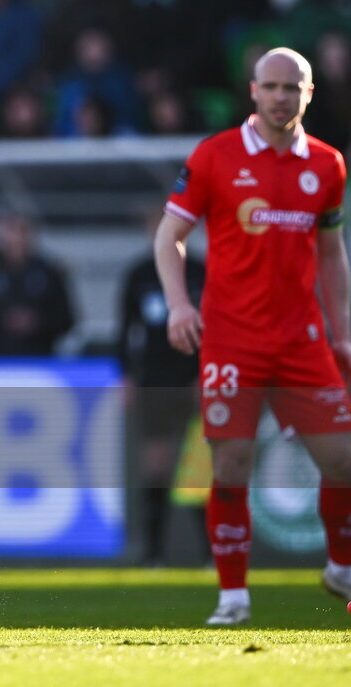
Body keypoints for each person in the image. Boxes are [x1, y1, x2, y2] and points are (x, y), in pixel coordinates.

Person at [154, 47, 351, 625]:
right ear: (253, 90)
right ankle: (233, 596)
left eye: (293, 87)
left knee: (342, 461)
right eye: (272, 86)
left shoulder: (329, 165)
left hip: (302, 341)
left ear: (308, 94)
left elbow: (331, 255)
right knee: (231, 464)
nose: (281, 96)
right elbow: (170, 236)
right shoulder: (215, 156)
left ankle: (341, 568)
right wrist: (177, 305)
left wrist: (343, 331)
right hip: (233, 341)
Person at [118, 215, 207, 566]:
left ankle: (209, 554)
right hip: (153, 380)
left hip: (193, 378)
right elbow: (126, 331)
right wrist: (126, 376)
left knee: (198, 468)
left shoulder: (202, 271)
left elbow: (218, 326)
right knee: (156, 464)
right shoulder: (138, 274)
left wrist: (207, 373)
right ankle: (153, 552)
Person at [0, 211, 75, 356]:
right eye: (12, 230)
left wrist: (38, 322)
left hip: (41, 361)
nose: (17, 238)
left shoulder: (50, 274)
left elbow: (68, 320)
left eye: (22, 231)